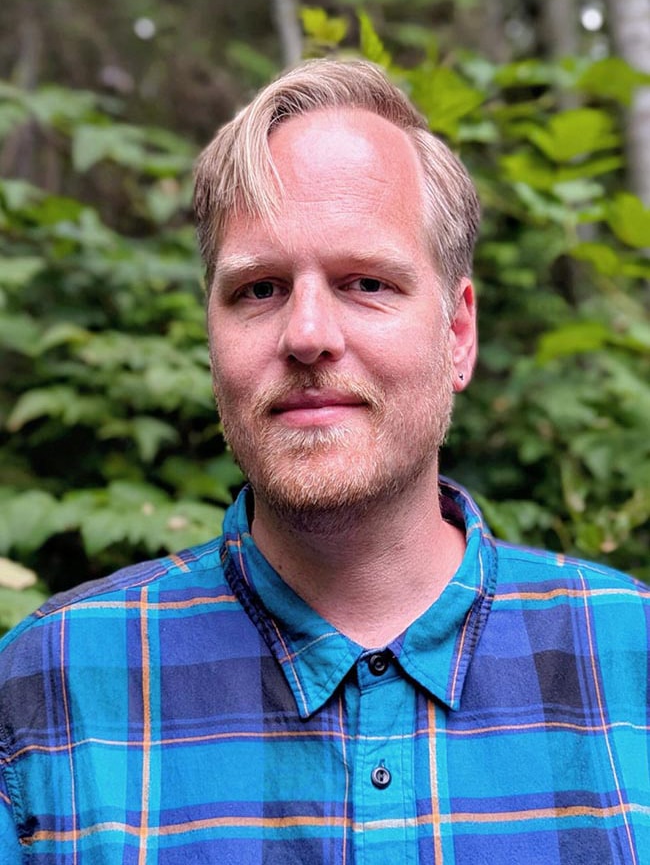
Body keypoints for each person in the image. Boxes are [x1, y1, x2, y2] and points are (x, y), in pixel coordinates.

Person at [0, 59, 648, 864]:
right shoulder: (51, 688)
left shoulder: (632, 663)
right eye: (259, 289)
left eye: (366, 282)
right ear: (212, 336)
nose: (307, 333)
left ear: (458, 333)